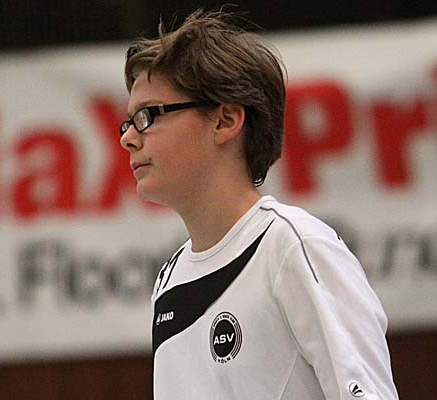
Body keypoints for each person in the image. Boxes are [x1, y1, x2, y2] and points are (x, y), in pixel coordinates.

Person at [119, 9, 399, 400]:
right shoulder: (169, 281)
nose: (128, 138)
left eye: (148, 116)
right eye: (128, 122)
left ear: (225, 120)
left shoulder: (293, 246)